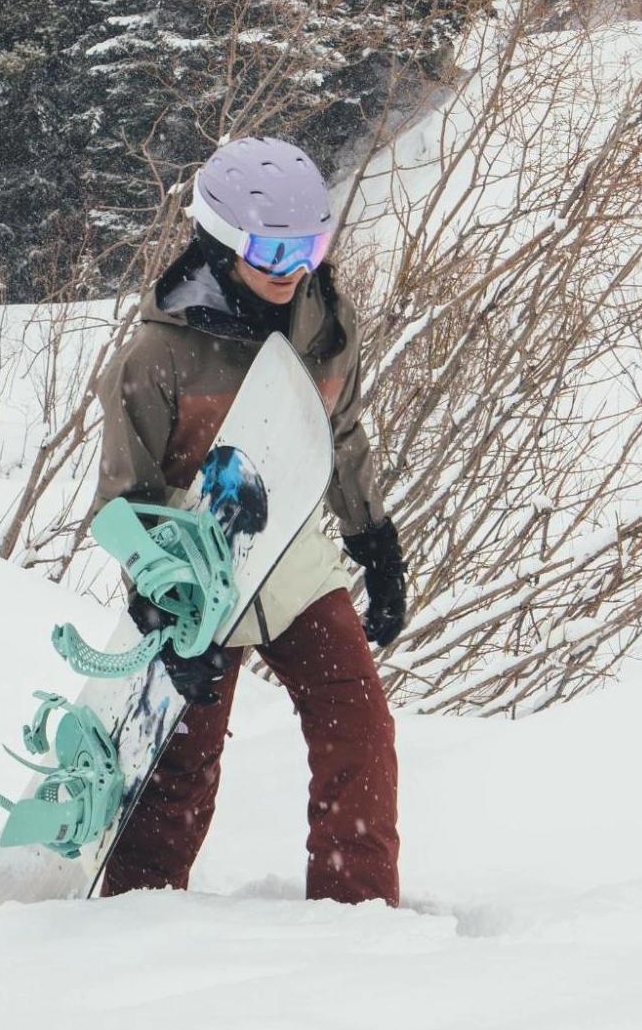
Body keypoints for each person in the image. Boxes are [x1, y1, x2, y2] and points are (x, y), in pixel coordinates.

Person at [91, 135, 406, 906]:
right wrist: (158, 596)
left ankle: (357, 909)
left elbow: (341, 432)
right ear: (222, 240)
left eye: (310, 246)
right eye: (271, 248)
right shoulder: (157, 356)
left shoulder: (326, 322)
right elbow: (124, 498)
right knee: (180, 766)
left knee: (358, 727)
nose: (291, 266)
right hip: (195, 580)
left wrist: (373, 537)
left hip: (291, 563)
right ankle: (135, 916)